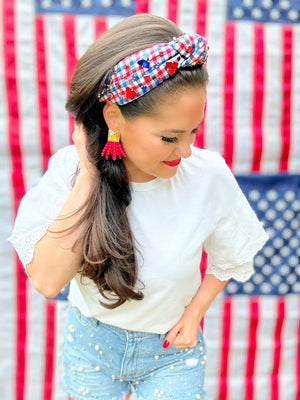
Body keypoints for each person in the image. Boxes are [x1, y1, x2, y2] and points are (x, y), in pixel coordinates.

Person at [9, 13, 268, 400]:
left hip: (170, 354)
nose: (185, 150)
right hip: (91, 348)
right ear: (114, 117)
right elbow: (47, 281)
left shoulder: (207, 174)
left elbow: (231, 253)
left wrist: (195, 312)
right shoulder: (70, 170)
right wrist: (90, 176)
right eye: (169, 137)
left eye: (193, 131)